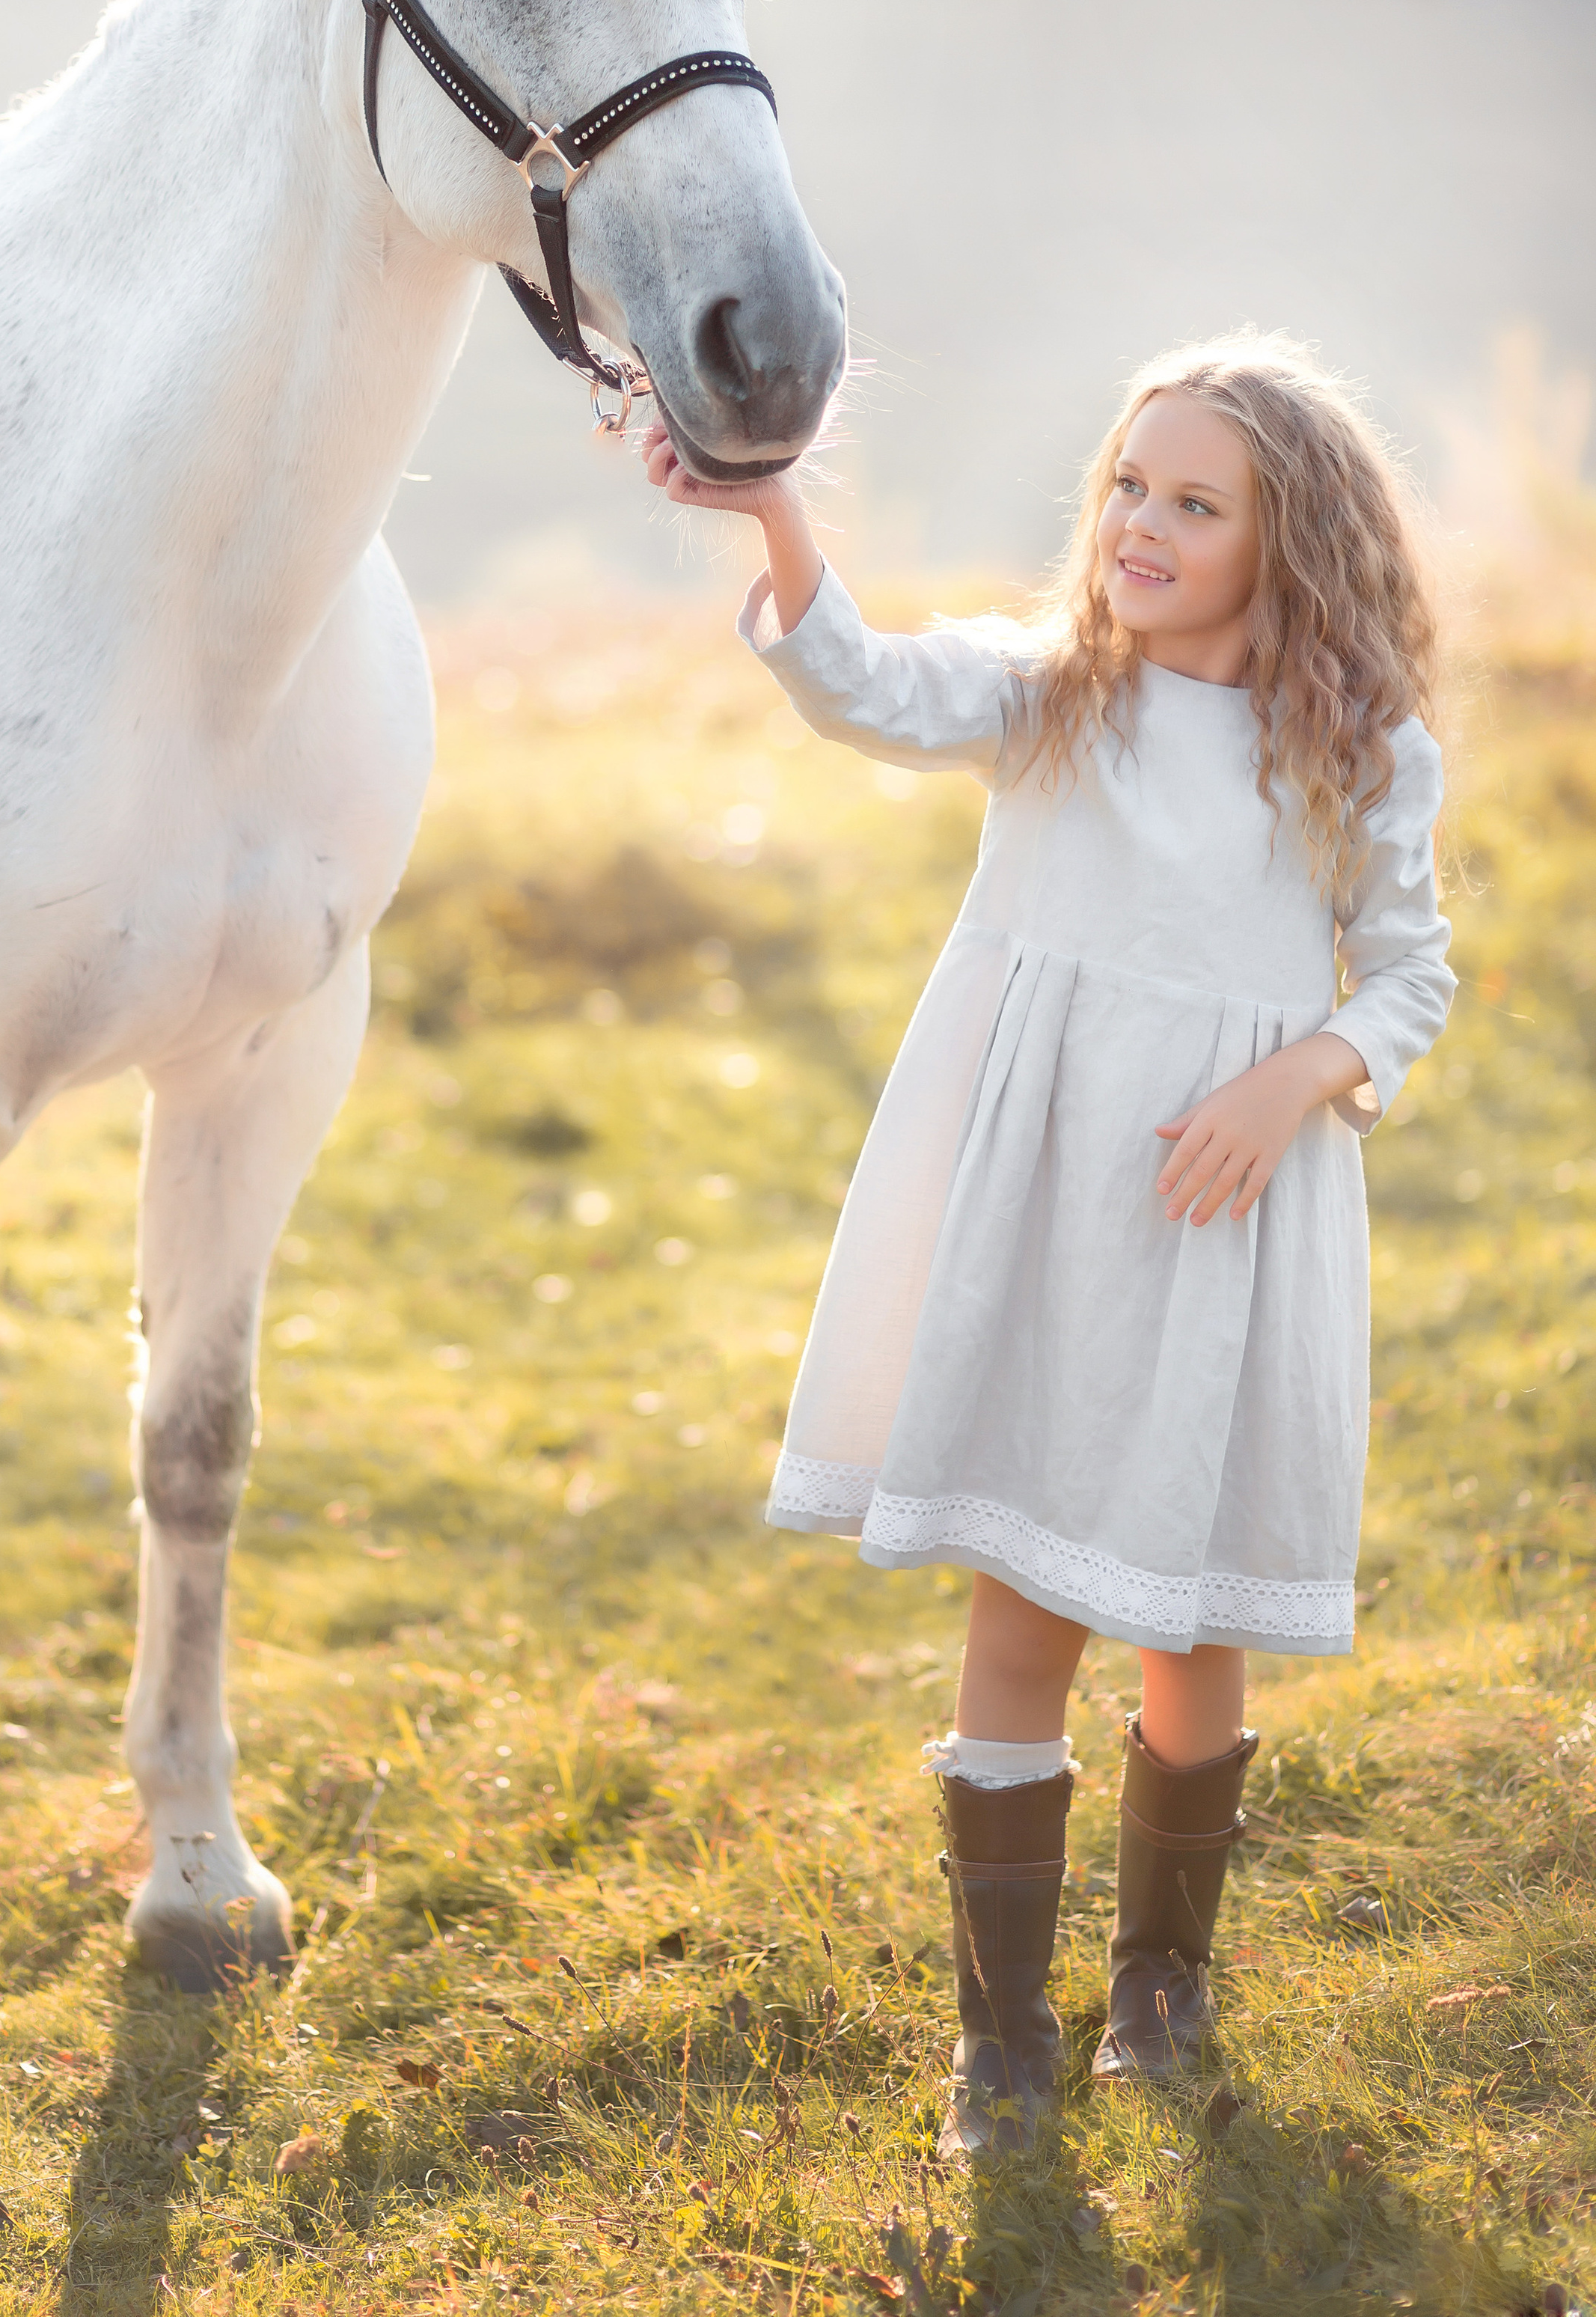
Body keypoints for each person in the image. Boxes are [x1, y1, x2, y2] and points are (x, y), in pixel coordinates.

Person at [640, 332, 1453, 2161]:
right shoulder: (1049, 694)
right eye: (1124, 487)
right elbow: (858, 684)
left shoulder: (1356, 754)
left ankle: (1158, 1989)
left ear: (1290, 541)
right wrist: (774, 513)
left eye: (1193, 504)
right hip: (1041, 1216)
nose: (1138, 525)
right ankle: (998, 2039)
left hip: (1222, 1225)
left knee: (1188, 1616)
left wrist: (1295, 1079)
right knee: (1021, 1607)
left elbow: (1408, 977)